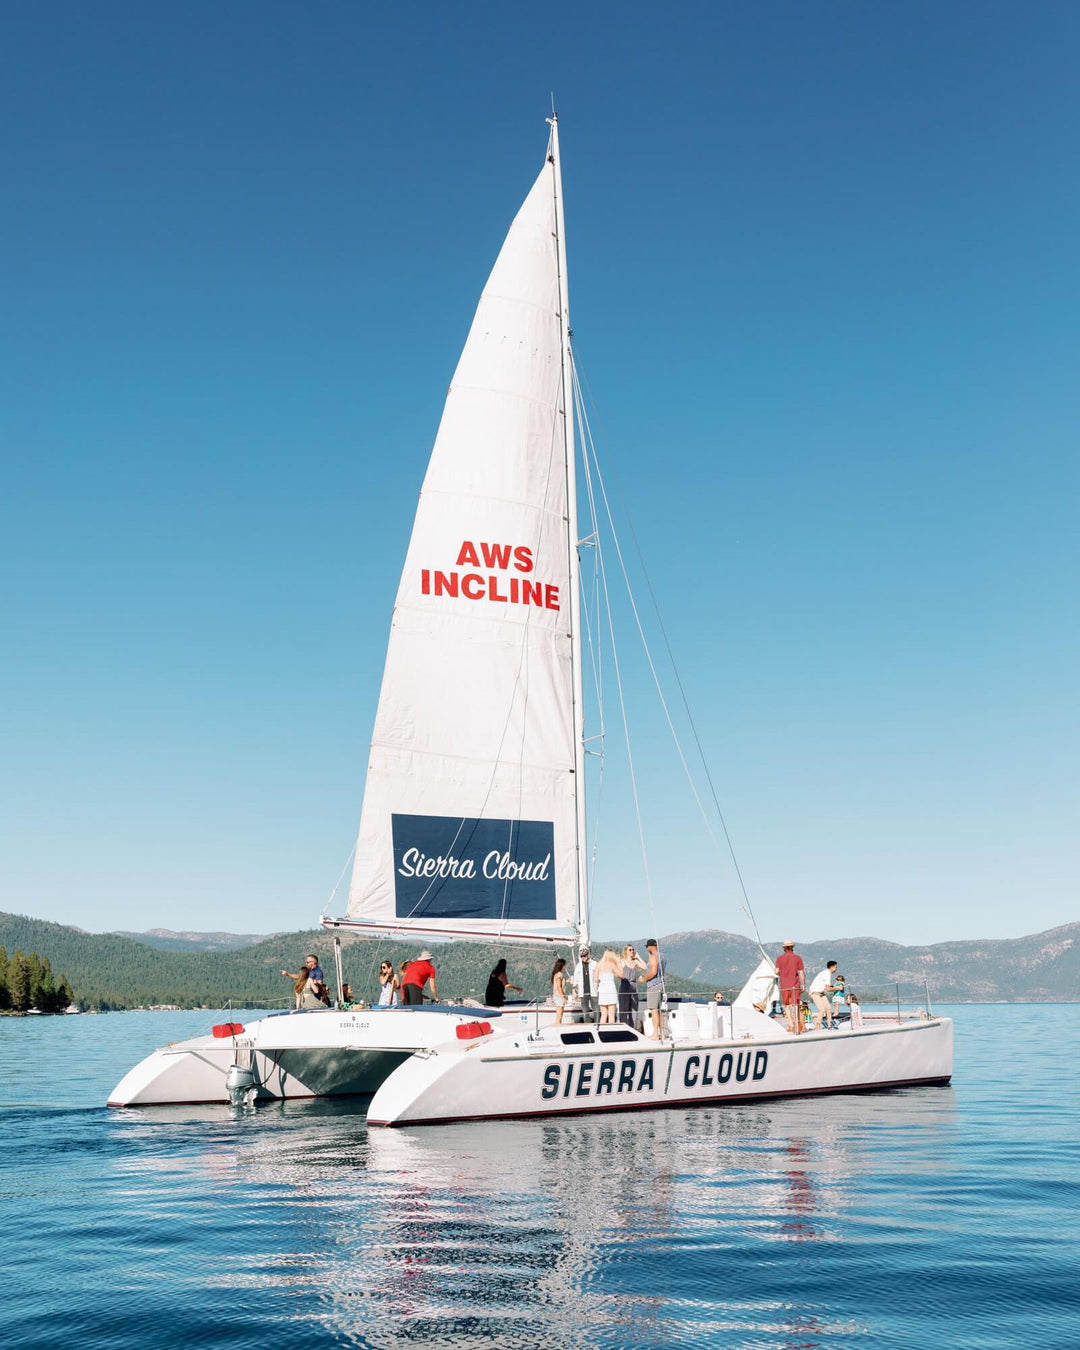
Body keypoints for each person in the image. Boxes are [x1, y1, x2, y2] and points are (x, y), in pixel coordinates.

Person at [775, 939, 806, 1035]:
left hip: (784, 984)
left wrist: (783, 973)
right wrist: (803, 984)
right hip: (795, 985)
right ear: (792, 947)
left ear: (784, 948)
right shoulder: (797, 958)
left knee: (787, 1006)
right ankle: (799, 1025)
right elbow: (801, 972)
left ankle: (791, 1025)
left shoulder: (779, 958)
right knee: (796, 1005)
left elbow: (776, 971)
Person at [618, 944, 647, 1027]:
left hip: (634, 986)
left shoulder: (635, 961)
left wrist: (638, 956)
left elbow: (645, 967)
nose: (632, 951)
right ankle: (623, 1029)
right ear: (626, 951)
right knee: (624, 1009)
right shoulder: (622, 961)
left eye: (633, 949)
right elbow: (619, 974)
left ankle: (633, 1029)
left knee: (634, 1010)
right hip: (625, 985)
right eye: (630, 950)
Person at [643, 938, 667, 1039]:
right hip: (661, 984)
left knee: (654, 1010)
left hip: (653, 985)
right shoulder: (663, 956)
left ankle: (655, 1034)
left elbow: (653, 972)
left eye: (647, 947)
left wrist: (643, 978)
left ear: (650, 946)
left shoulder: (653, 956)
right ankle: (662, 1033)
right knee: (660, 1011)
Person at [572, 945, 598, 1024]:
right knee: (585, 1012)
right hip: (583, 993)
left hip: (594, 991)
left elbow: (598, 976)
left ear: (588, 954)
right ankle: (587, 1025)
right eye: (582, 956)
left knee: (596, 1011)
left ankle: (597, 1025)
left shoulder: (594, 964)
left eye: (585, 955)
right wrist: (574, 991)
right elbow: (575, 980)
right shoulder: (578, 966)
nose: (583, 957)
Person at [808, 960, 839, 1029]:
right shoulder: (827, 974)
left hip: (821, 993)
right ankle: (817, 1025)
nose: (836, 969)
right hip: (815, 992)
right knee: (821, 1009)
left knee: (828, 1008)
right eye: (835, 967)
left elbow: (827, 987)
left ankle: (829, 1025)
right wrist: (838, 988)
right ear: (832, 967)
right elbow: (828, 989)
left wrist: (834, 988)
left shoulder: (826, 973)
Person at [596, 950, 621, 1024]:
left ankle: (601, 1032)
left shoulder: (599, 964)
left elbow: (595, 978)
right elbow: (621, 974)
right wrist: (619, 963)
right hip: (610, 989)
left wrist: (601, 982)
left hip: (602, 990)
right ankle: (611, 1033)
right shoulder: (611, 964)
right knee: (611, 1015)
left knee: (603, 1015)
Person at [551, 957, 569, 1024]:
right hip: (559, 996)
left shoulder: (557, 974)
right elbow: (559, 987)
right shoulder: (559, 974)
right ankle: (558, 1026)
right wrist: (563, 997)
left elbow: (560, 984)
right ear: (562, 965)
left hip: (557, 996)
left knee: (559, 1014)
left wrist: (566, 981)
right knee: (559, 1014)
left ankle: (558, 1025)